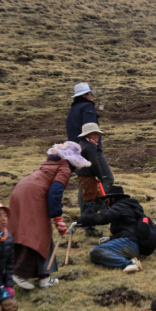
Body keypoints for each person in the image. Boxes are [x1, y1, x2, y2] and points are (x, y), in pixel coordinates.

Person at [9, 142, 91, 290]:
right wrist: (57, 216)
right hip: (34, 194)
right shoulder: (64, 167)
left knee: (30, 233)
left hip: (20, 190)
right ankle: (19, 273)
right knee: (36, 235)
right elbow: (55, 191)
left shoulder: (50, 163)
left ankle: (44, 277)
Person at [65, 82, 114, 218]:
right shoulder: (87, 107)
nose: (92, 96)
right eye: (91, 93)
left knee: (85, 180)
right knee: (106, 178)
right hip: (90, 149)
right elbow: (90, 129)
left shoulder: (72, 111)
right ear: (85, 95)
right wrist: (93, 145)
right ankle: (97, 213)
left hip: (76, 151)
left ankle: (86, 215)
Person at [70, 185, 144, 273]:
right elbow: (128, 229)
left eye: (107, 201)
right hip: (136, 248)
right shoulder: (130, 207)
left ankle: (128, 264)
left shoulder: (119, 206)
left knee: (95, 251)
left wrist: (80, 221)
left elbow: (104, 217)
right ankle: (133, 260)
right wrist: (111, 239)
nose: (107, 204)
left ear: (112, 199)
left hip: (127, 244)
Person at [75, 122, 106, 237]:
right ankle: (89, 228)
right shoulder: (90, 146)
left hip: (85, 178)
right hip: (88, 178)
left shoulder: (82, 144)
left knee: (99, 199)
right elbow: (94, 163)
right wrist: (100, 175)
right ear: (88, 135)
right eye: (95, 134)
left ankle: (87, 220)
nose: (97, 136)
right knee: (90, 203)